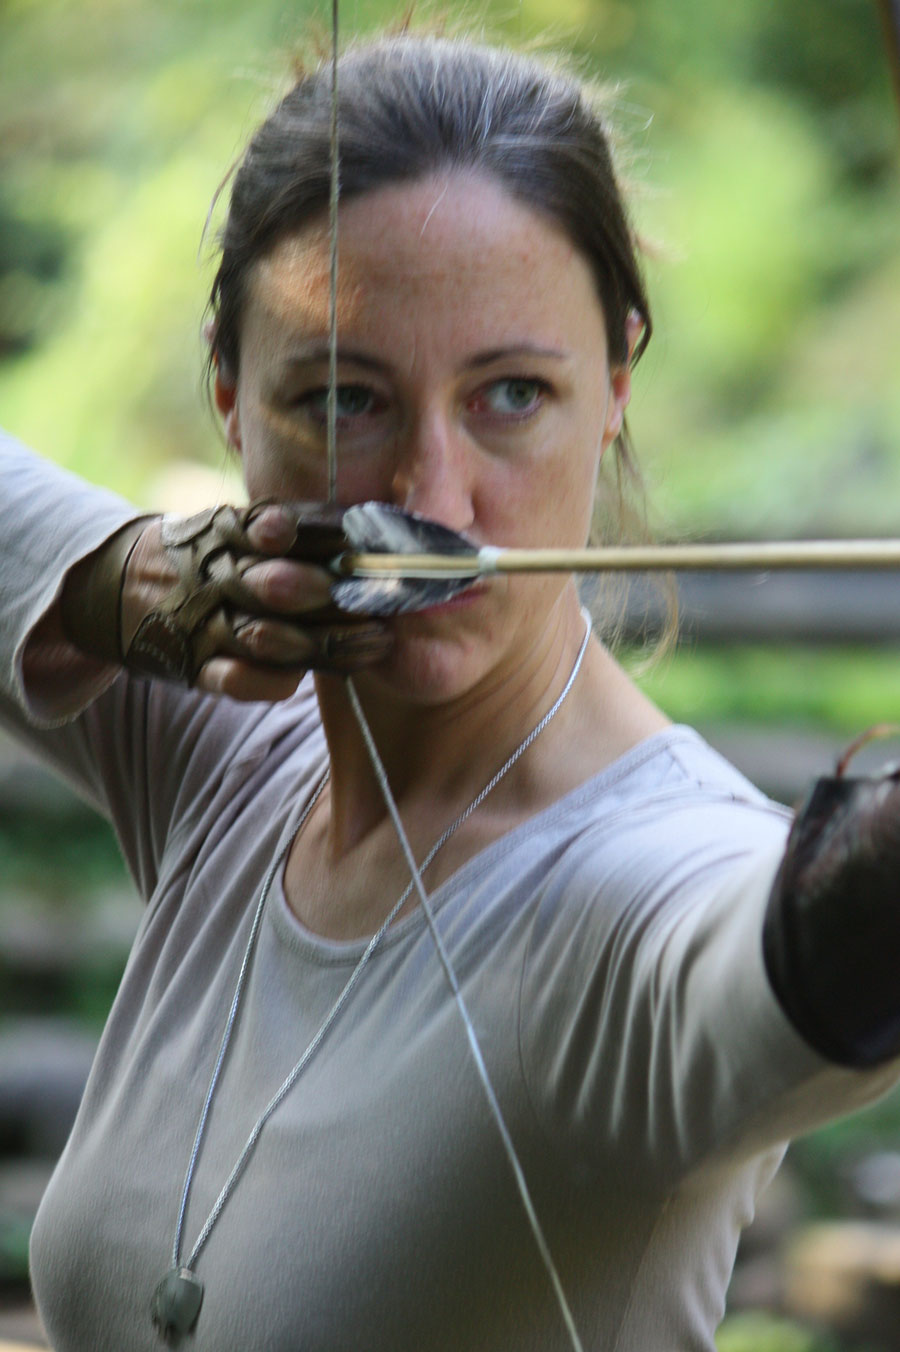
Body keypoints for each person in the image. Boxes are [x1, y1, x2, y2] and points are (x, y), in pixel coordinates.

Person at [2, 33, 900, 1352]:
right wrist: (109, 583)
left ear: (617, 385)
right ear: (228, 394)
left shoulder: (648, 888)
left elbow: (808, 957)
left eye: (512, 395)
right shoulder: (233, 746)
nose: (429, 495)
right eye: (342, 398)